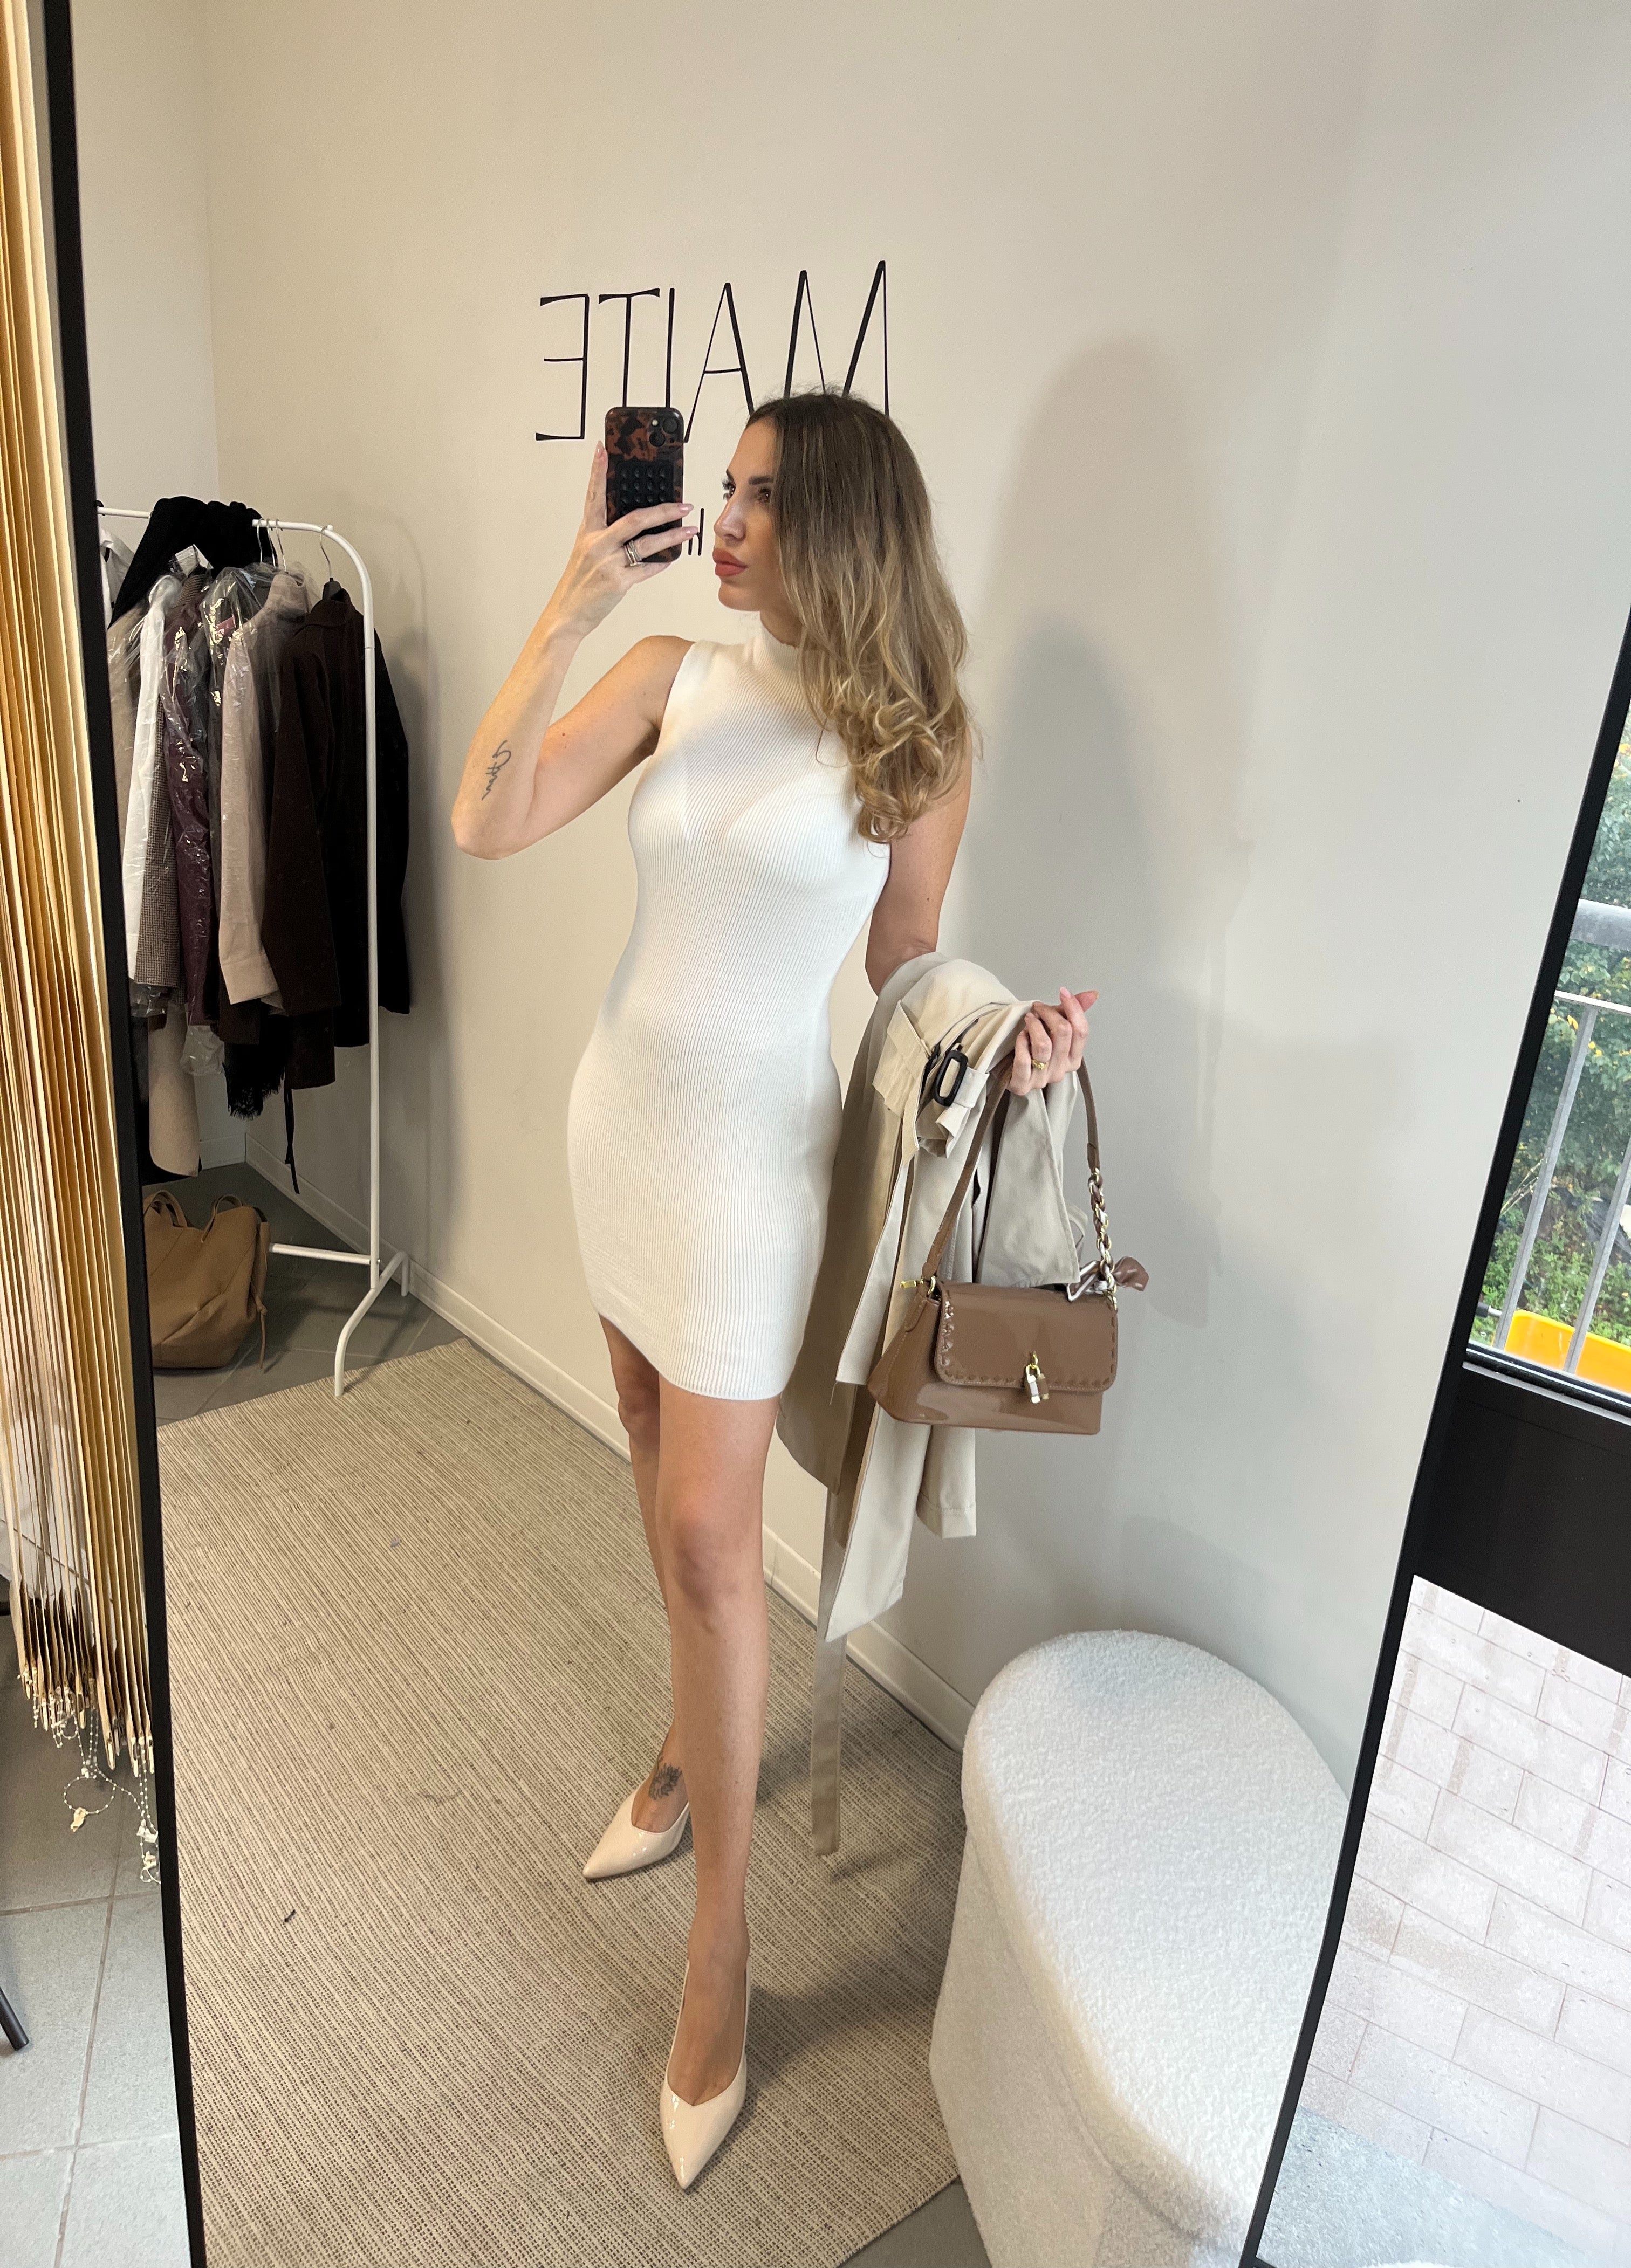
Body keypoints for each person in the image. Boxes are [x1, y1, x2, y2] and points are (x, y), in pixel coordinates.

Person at [451, 391, 1094, 2185]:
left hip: (748, 1170)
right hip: (621, 1123)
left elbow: (905, 964)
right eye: (719, 492)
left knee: (711, 1543)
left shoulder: (921, 739)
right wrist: (573, 601)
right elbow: (489, 820)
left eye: (761, 499)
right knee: (645, 1440)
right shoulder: (673, 673)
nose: (724, 525)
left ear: (850, 526)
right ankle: (684, 1741)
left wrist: (1004, 1041)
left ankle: (723, 1948)